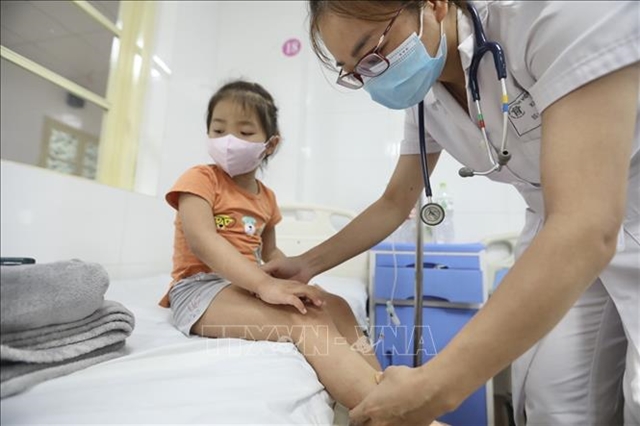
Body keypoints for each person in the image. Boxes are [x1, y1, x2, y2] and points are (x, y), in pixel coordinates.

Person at [264, 1, 640, 425]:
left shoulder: (548, 13)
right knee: (552, 399)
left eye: (372, 50)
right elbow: (394, 202)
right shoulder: (425, 98)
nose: (372, 77)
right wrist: (304, 265)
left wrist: (437, 386)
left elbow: (587, 223)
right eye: (354, 71)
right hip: (557, 222)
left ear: (433, 5)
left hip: (613, 207)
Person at [158, 80, 384, 410]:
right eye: (218, 130)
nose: (229, 141)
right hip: (200, 289)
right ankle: (386, 416)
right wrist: (263, 284)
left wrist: (288, 282)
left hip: (243, 285)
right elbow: (203, 242)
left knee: (332, 306)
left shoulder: (267, 198)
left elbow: (269, 254)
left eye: (245, 132)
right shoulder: (200, 180)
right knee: (303, 321)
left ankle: (384, 389)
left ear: (270, 144)